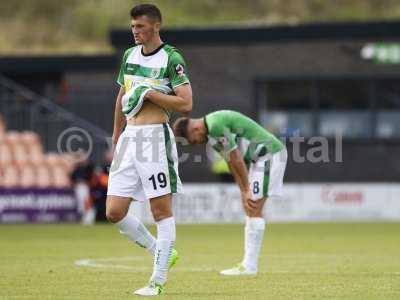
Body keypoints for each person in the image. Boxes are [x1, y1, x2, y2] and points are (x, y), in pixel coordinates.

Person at [106, 3, 192, 296]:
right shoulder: (129, 55)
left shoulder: (172, 58)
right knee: (114, 211)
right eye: (132, 27)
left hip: (155, 139)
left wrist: (151, 93)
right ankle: (161, 250)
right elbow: (122, 95)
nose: (135, 31)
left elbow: (186, 103)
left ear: (156, 26)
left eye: (140, 26)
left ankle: (157, 281)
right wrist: (117, 135)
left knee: (160, 211)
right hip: (130, 138)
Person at [173, 110, 286, 276]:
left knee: (254, 208)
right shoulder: (212, 136)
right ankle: (248, 265)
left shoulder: (215, 125)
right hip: (258, 161)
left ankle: (249, 266)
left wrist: (246, 189)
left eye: (194, 141)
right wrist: (243, 191)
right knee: (250, 208)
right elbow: (231, 163)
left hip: (269, 155)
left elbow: (236, 158)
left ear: (194, 130)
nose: (197, 144)